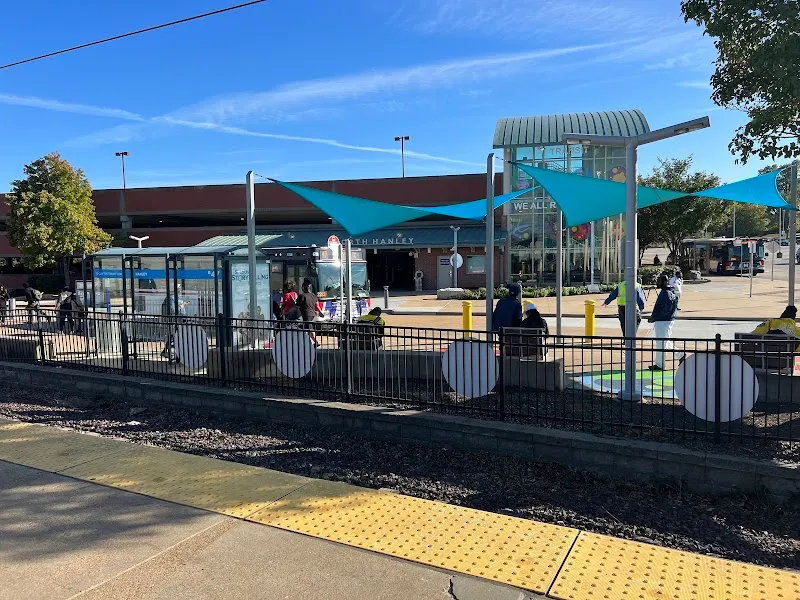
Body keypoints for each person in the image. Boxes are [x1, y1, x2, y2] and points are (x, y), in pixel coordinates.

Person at [648, 275, 680, 371]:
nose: (657, 283)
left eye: (659, 281)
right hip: (665, 320)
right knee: (663, 341)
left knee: (661, 343)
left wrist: (655, 317)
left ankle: (660, 365)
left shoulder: (666, 293)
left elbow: (667, 308)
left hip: (663, 321)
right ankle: (680, 355)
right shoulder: (669, 291)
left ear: (664, 282)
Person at [297, 280, 323, 347]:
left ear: (303, 288)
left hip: (306, 314)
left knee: (309, 329)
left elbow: (297, 305)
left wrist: (288, 310)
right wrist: (320, 313)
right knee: (307, 328)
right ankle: (308, 342)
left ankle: (316, 342)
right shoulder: (313, 296)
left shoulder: (302, 296)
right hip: (312, 315)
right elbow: (316, 306)